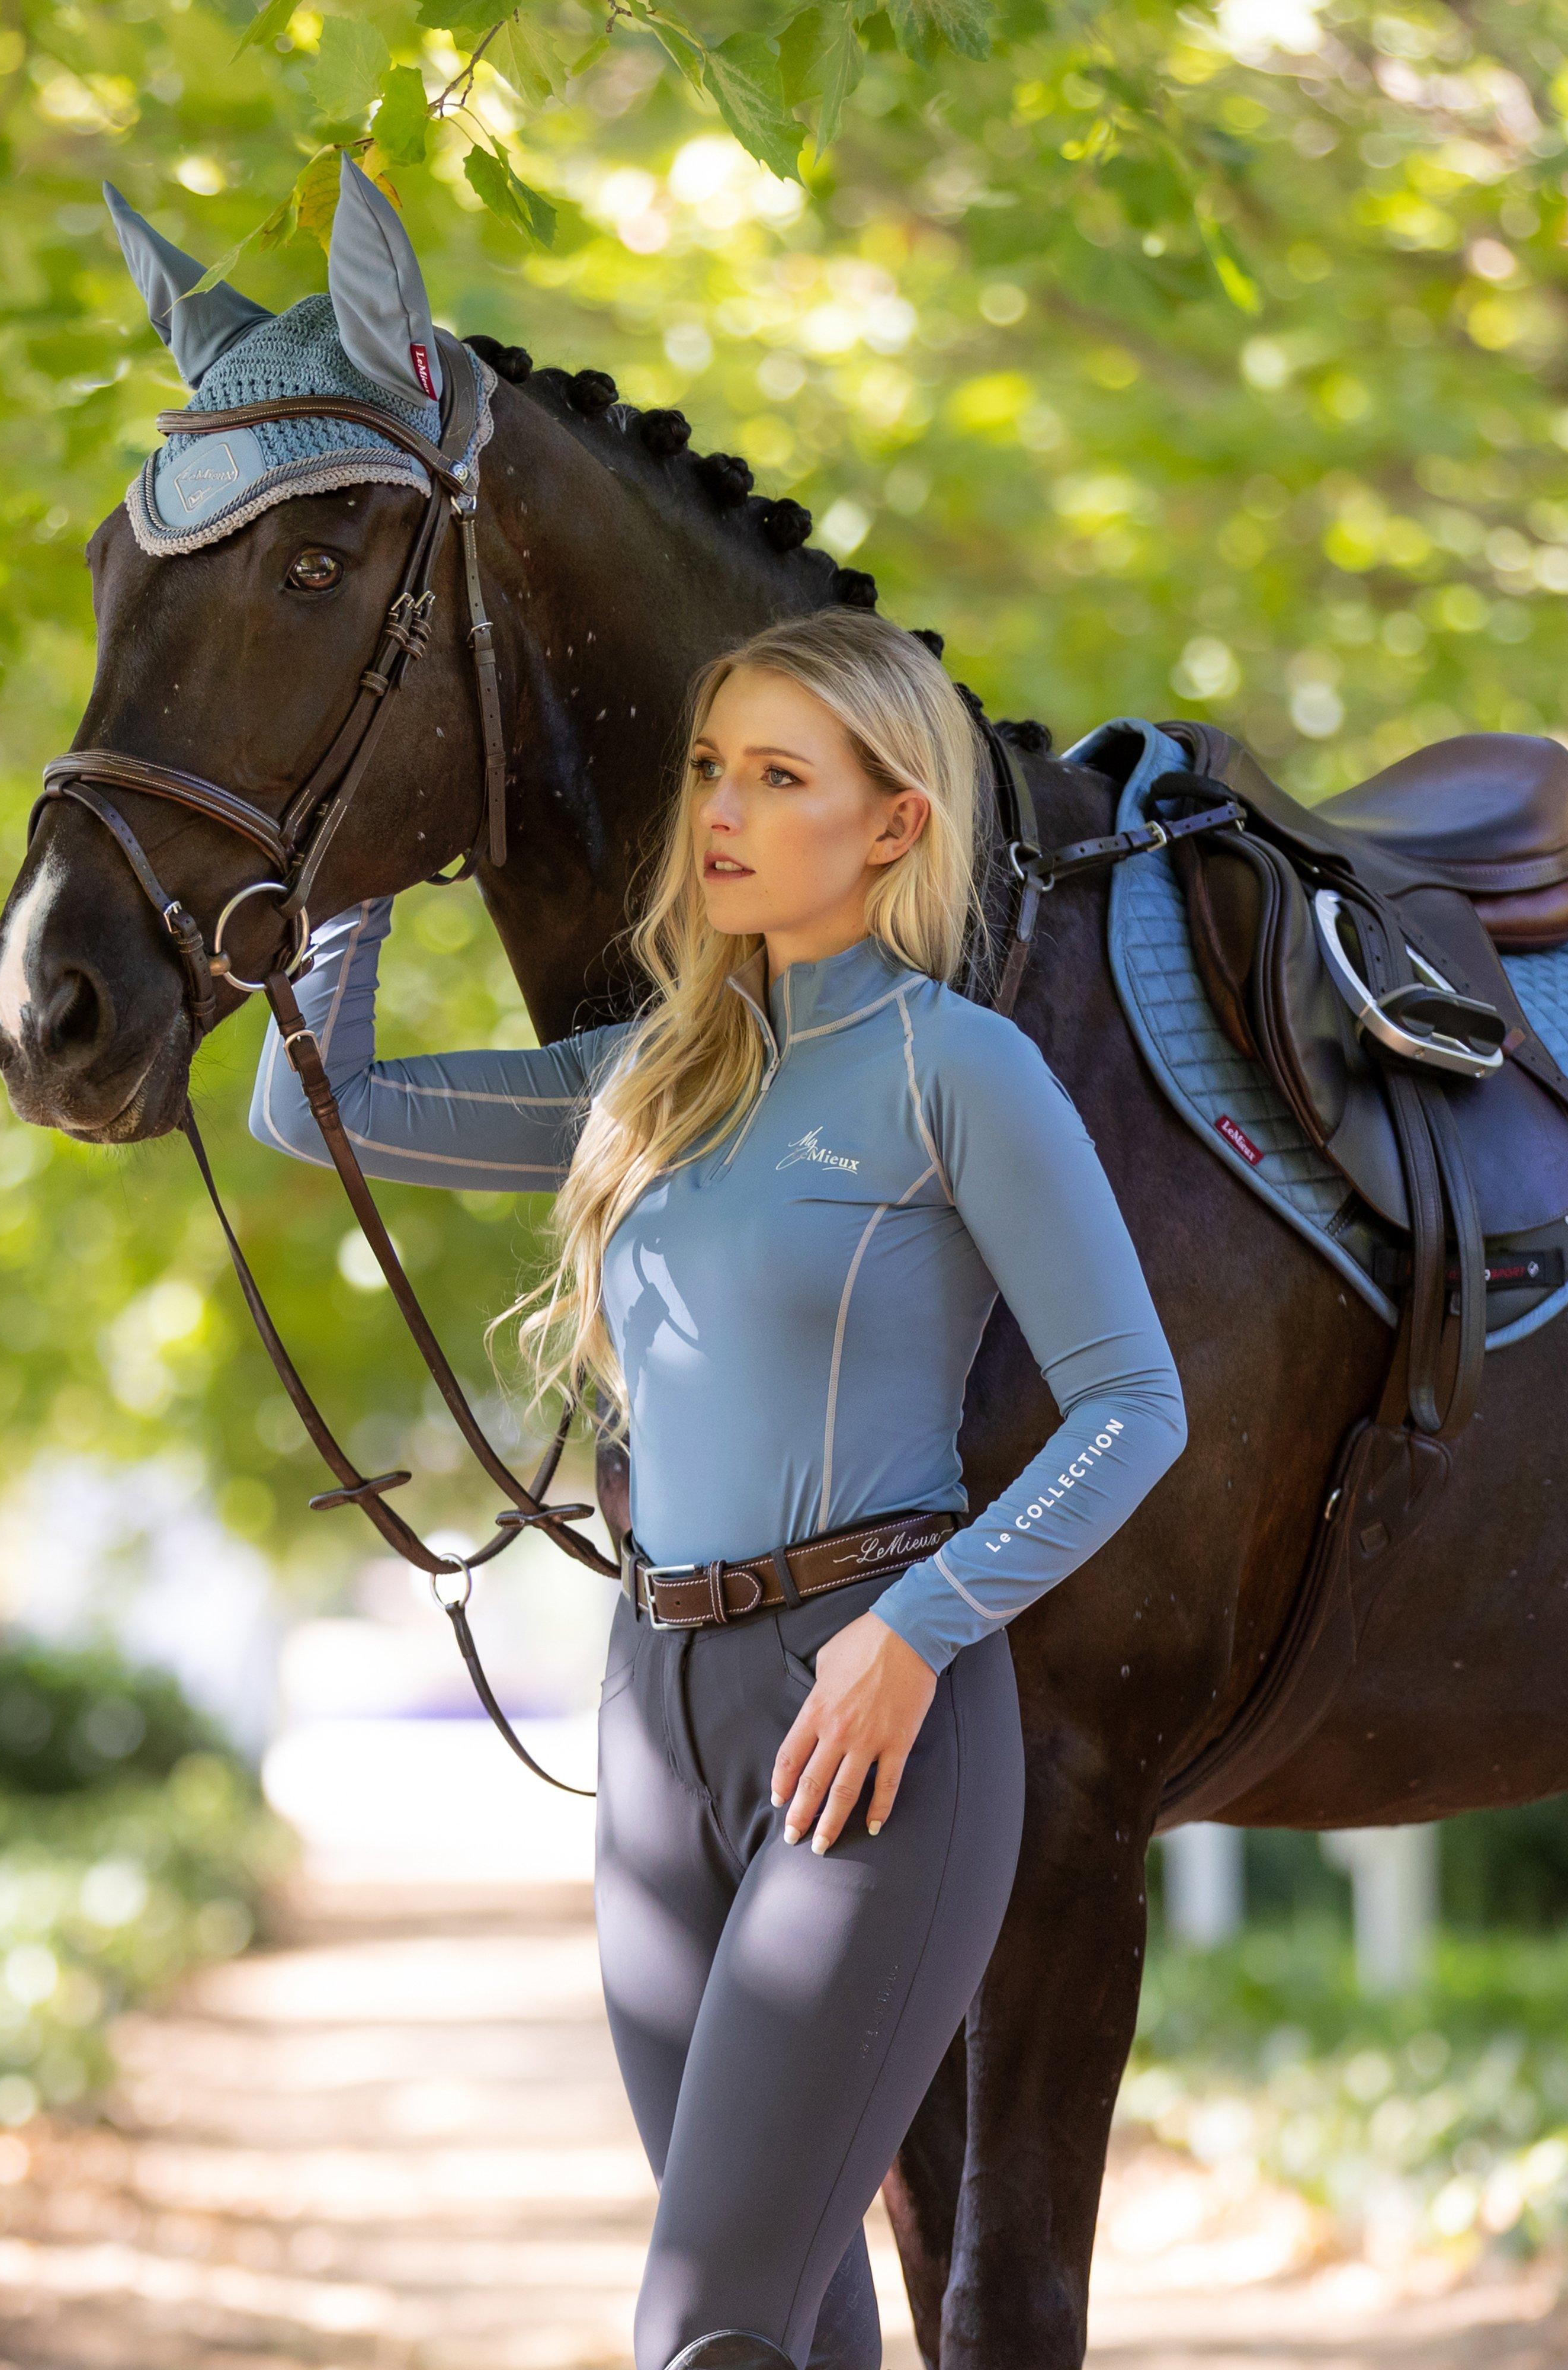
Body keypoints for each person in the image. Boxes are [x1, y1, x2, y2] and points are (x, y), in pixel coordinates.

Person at [246, 607, 1188, 2370]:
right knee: (794, 2315)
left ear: (896, 823)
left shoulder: (954, 1070)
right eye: (707, 770)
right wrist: (365, 857)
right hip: (656, 1715)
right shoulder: (650, 1078)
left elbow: (1136, 1407)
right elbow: (322, 1109)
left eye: (779, 776)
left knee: (706, 2326)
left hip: (871, 1720)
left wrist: (919, 1631)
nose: (722, 814)